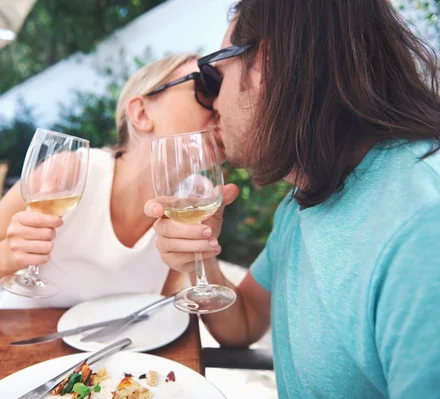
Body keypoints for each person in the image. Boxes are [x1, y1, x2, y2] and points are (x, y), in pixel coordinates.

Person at [145, 1, 440, 398]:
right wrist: (201, 257)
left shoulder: (421, 229)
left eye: (215, 77)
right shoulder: (305, 198)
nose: (214, 105)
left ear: (264, 65)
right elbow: (245, 322)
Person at [0, 53, 218, 308]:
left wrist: (199, 264)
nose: (220, 105)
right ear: (142, 114)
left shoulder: (198, 199)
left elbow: (163, 307)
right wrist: (7, 256)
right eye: (206, 88)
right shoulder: (69, 172)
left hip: (107, 359)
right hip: (18, 344)